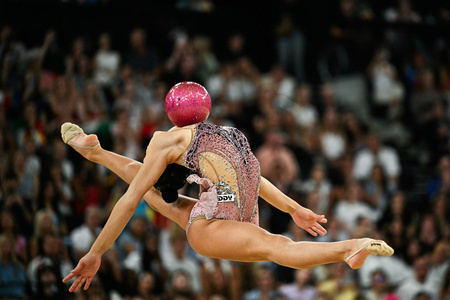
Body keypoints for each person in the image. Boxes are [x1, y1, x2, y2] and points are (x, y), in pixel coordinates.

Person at [60, 81, 394, 292]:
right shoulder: (228, 133)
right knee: (275, 246)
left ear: (171, 112)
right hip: (222, 212)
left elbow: (130, 200)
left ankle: (97, 153)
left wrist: (96, 252)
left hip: (216, 215)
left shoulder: (166, 139)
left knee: (148, 188)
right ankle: (347, 248)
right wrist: (293, 208)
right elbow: (253, 176)